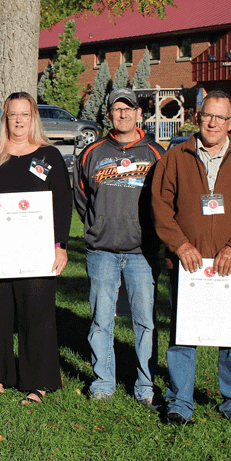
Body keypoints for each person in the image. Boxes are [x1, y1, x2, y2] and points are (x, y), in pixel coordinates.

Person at [152, 90, 231, 427]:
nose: (213, 122)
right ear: (197, 117)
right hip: (188, 266)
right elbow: (160, 206)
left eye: (221, 117)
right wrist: (180, 245)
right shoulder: (175, 157)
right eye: (208, 115)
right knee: (183, 336)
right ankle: (180, 403)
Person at [0, 92, 72, 405]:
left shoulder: (49, 156)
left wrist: (60, 246)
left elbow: (62, 203)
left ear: (34, 118)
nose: (18, 120)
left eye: (25, 114)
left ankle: (39, 382)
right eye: (13, 115)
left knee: (37, 313)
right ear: (5, 119)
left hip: (38, 249)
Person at [74, 88, 163, 407]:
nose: (123, 114)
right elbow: (82, 198)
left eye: (129, 109)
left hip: (142, 252)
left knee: (144, 321)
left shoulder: (156, 152)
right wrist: (99, 225)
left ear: (139, 113)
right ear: (108, 114)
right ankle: (103, 381)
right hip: (102, 252)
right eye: (117, 109)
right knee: (101, 319)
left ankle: (145, 385)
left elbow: (165, 201)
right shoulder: (92, 152)